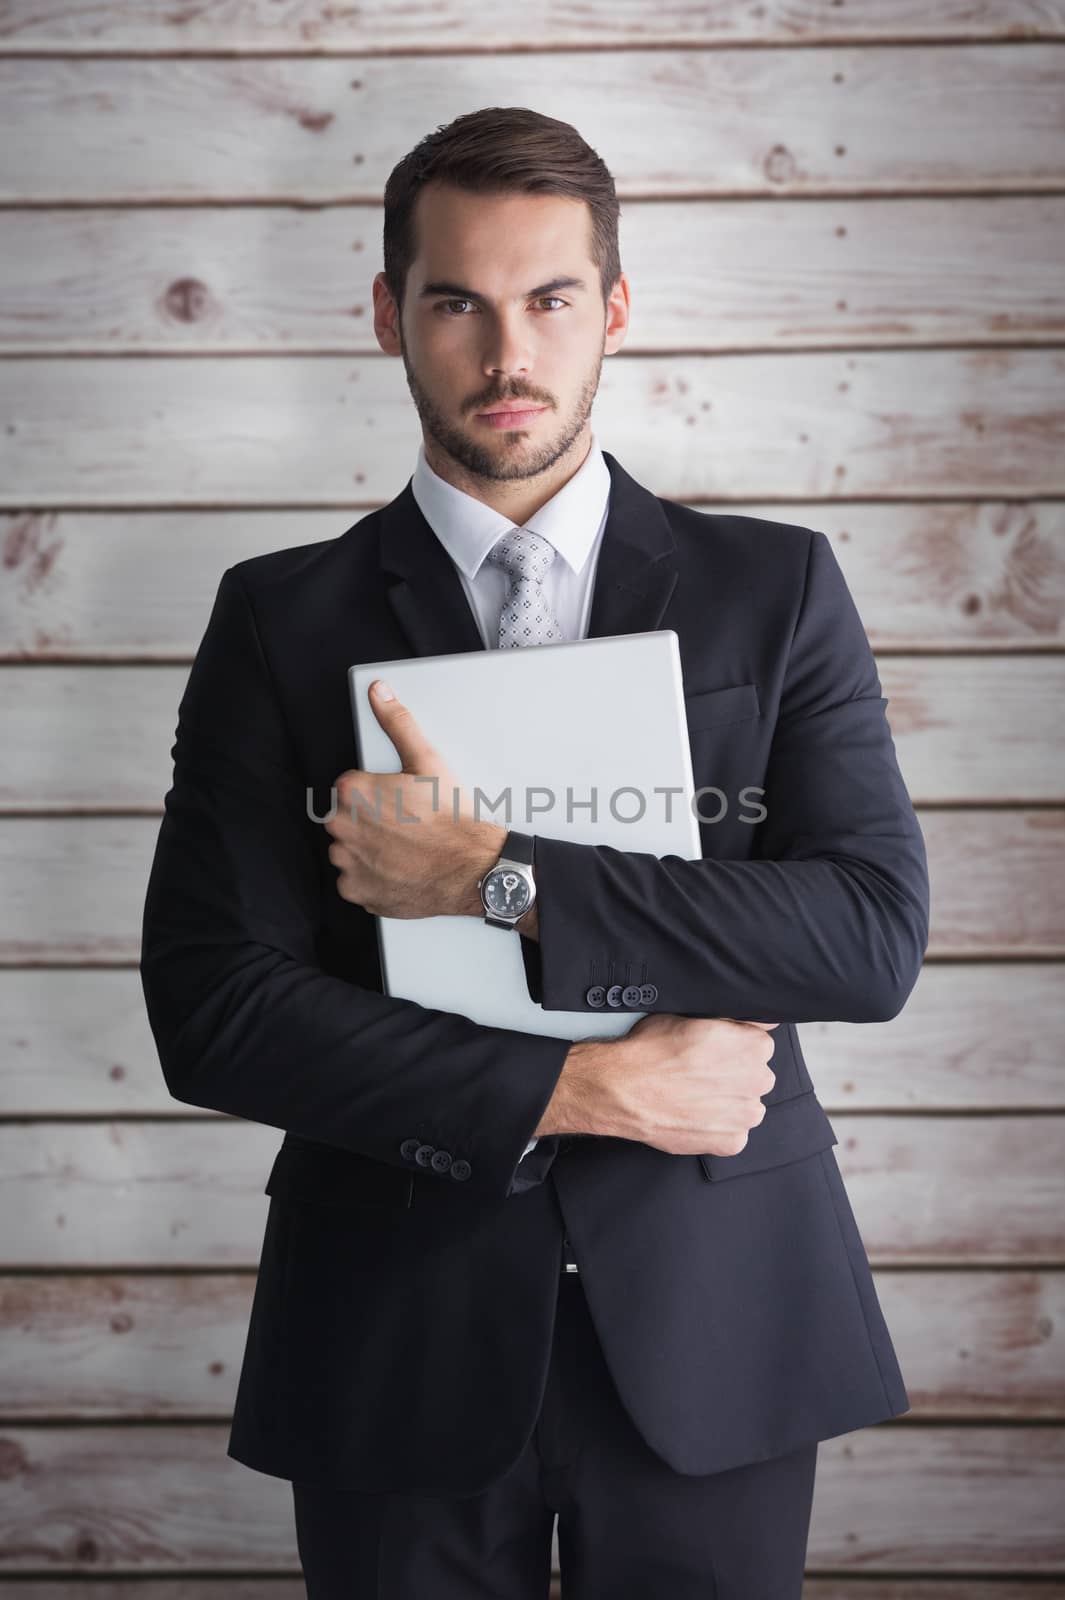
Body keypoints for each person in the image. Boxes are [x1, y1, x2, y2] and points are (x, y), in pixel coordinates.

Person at [140, 104, 930, 1598]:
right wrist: (575, 1088)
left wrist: (496, 878)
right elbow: (212, 1007)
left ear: (612, 308)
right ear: (390, 314)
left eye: (551, 300)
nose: (509, 354)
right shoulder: (280, 620)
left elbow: (866, 935)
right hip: (392, 1318)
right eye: (457, 302)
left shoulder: (773, 588)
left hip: (720, 1316)